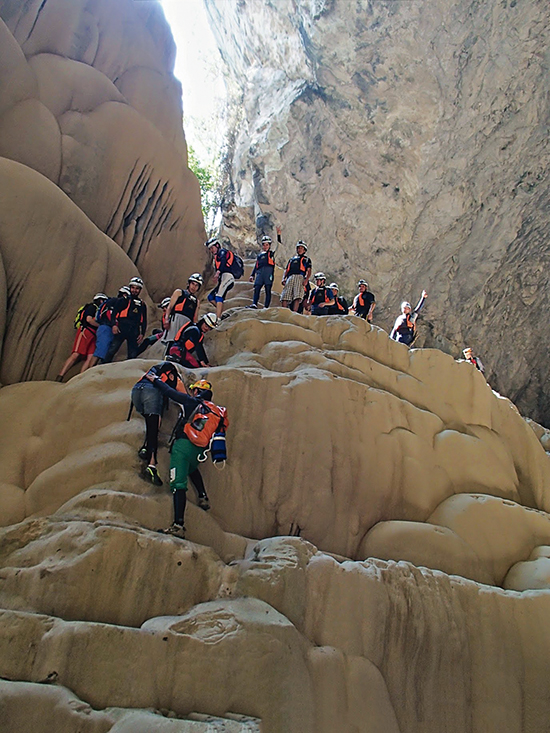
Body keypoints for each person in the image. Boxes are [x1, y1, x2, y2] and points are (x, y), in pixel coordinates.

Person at [145, 375, 228, 538]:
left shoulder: (192, 402)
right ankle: (203, 496)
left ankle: (179, 525)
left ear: (198, 391)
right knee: (191, 469)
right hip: (199, 451)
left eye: (195, 390)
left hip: (183, 445)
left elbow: (170, 392)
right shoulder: (217, 412)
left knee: (178, 484)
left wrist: (155, 379)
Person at [131, 361, 186, 485]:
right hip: (151, 392)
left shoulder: (153, 371)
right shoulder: (175, 376)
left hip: (136, 391)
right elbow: (185, 398)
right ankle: (152, 465)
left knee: (152, 422)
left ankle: (145, 448)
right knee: (154, 428)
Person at [56, 293, 107, 381]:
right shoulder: (92, 307)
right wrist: (101, 326)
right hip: (85, 331)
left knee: (90, 357)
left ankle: (80, 379)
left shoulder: (99, 310)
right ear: (100, 300)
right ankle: (60, 376)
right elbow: (89, 319)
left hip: (94, 335)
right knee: (76, 354)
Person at [104, 276, 147, 361]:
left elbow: (144, 320)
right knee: (112, 350)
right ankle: (103, 366)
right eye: (133, 288)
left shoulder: (142, 304)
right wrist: (114, 325)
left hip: (134, 330)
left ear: (140, 290)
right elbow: (114, 313)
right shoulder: (123, 300)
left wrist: (142, 333)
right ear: (130, 288)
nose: (135, 290)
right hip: (121, 328)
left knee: (132, 354)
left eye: (137, 288)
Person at [89, 287, 131, 368]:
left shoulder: (113, 302)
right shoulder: (114, 302)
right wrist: (114, 324)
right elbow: (110, 315)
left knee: (104, 352)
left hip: (106, 328)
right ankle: (89, 373)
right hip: (106, 328)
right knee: (100, 351)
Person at [163, 273, 203, 348]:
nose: (194, 287)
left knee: (181, 345)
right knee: (171, 342)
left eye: (196, 285)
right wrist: (166, 319)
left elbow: (195, 319)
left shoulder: (196, 301)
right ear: (189, 283)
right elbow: (170, 307)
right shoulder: (179, 292)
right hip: (176, 320)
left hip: (187, 324)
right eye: (193, 284)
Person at [248, 226, 281, 308]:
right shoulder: (260, 255)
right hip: (260, 272)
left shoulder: (272, 254)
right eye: (264, 245)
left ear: (269, 245)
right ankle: (254, 303)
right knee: (257, 287)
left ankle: (266, 306)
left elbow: (279, 247)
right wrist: (252, 275)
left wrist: (279, 235)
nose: (265, 246)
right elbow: (256, 265)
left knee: (267, 289)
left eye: (267, 245)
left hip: (268, 272)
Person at [206, 239, 236, 320]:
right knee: (211, 297)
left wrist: (218, 273)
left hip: (228, 277)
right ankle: (222, 312)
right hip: (223, 278)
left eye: (212, 248)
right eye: (210, 249)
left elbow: (223, 262)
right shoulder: (216, 257)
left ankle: (218, 319)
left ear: (217, 246)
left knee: (219, 296)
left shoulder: (222, 252)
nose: (211, 251)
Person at [281, 241, 312, 311]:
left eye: (301, 248)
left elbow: (309, 271)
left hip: (300, 276)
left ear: (304, 250)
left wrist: (306, 280)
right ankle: (283, 311)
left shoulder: (306, 260)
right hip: (290, 277)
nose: (299, 249)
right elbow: (287, 270)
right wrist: (283, 278)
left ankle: (294, 312)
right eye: (299, 248)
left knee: (297, 295)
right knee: (285, 295)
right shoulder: (292, 259)